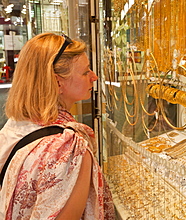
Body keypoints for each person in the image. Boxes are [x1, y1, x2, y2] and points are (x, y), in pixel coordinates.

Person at [0, 33, 115, 219]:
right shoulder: (68, 149)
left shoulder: (15, 126)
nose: (94, 76)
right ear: (57, 82)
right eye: (85, 71)